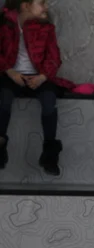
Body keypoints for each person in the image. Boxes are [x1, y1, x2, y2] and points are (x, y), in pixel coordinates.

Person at [0, 0, 75, 175]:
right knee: (4, 96)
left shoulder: (46, 28)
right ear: (25, 6)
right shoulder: (5, 25)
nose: (46, 7)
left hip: (38, 78)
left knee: (49, 99)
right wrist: (10, 72)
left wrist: (42, 77)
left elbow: (54, 57)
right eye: (41, 3)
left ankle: (49, 153)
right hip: (10, 76)